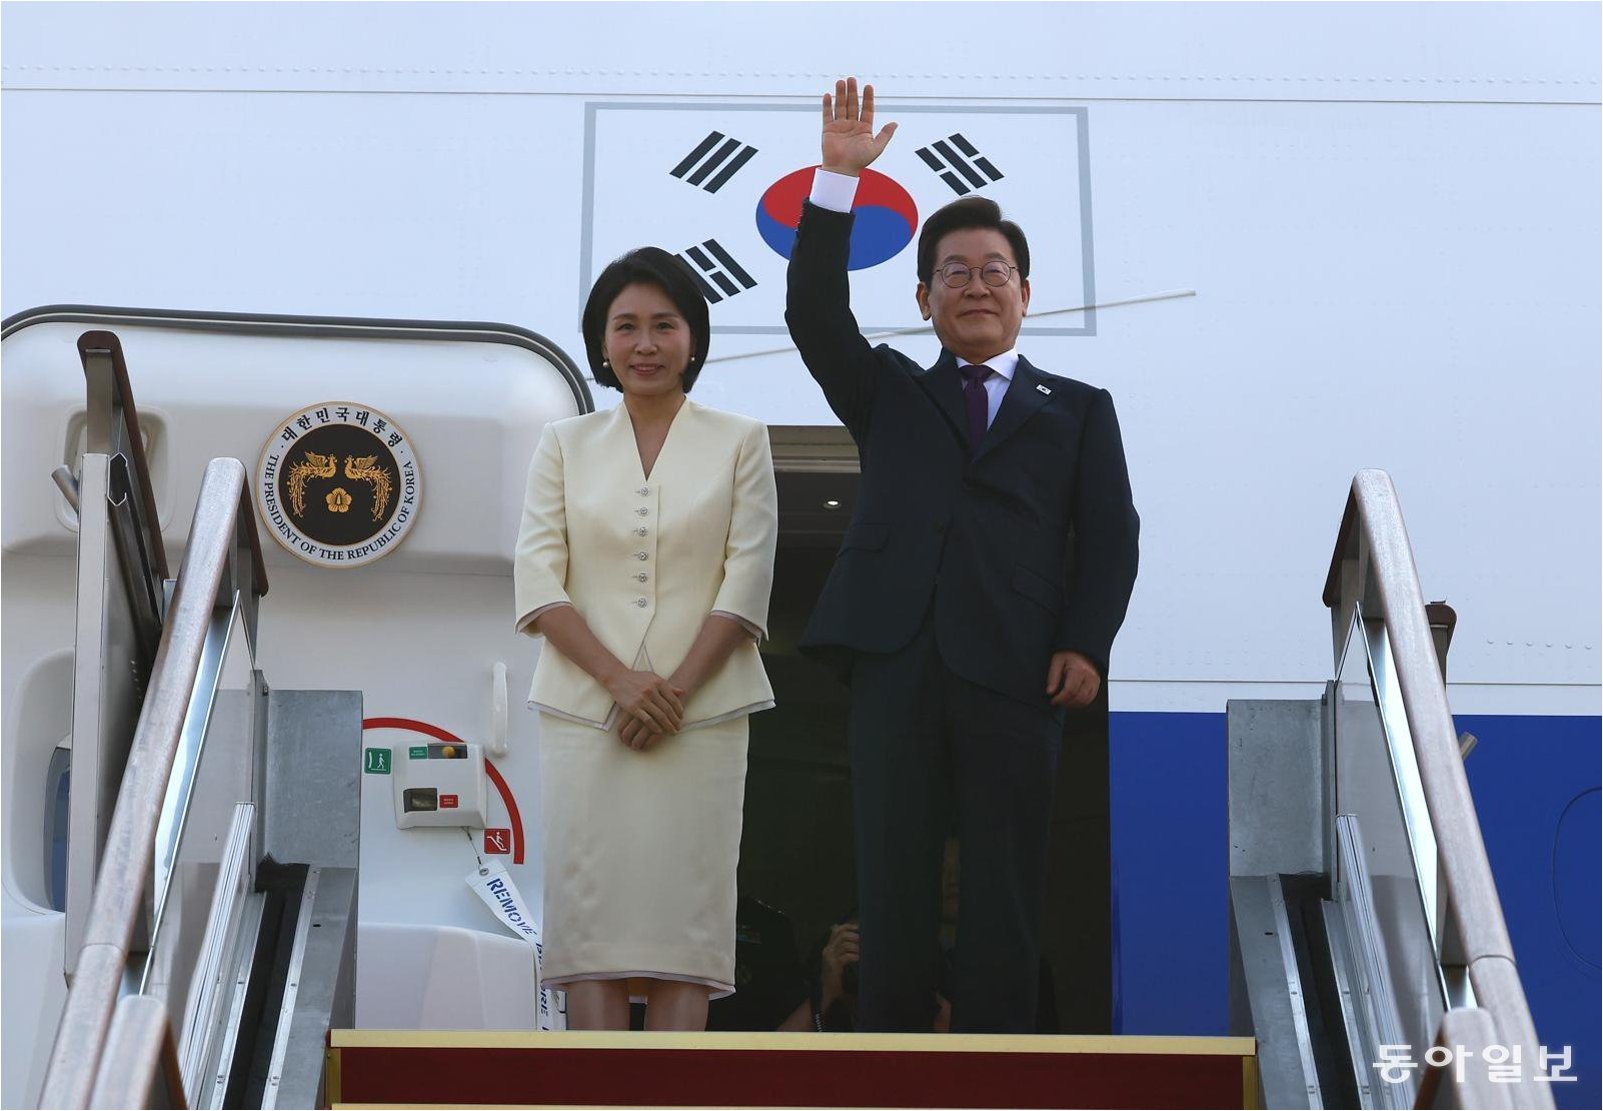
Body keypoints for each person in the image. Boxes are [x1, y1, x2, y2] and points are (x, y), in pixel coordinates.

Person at [785, 78, 1140, 1033]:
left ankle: (997, 1066)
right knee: (891, 871)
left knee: (1004, 878)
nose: (975, 285)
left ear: (1024, 292)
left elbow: (1111, 536)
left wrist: (1085, 642)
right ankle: (894, 1063)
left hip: (1018, 669)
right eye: (954, 271)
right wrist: (837, 179)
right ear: (924, 296)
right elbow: (814, 314)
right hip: (895, 656)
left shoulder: (1079, 410)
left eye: (994, 270)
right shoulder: (890, 391)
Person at [514, 246, 779, 1031]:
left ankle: (671, 1087)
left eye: (664, 325)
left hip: (702, 718)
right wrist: (620, 682)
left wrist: (673, 692)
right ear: (601, 342)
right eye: (625, 325)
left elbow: (747, 577)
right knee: (590, 929)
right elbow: (538, 577)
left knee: (682, 931)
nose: (645, 343)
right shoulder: (563, 442)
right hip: (584, 715)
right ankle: (593, 1087)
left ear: (693, 337)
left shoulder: (741, 439)